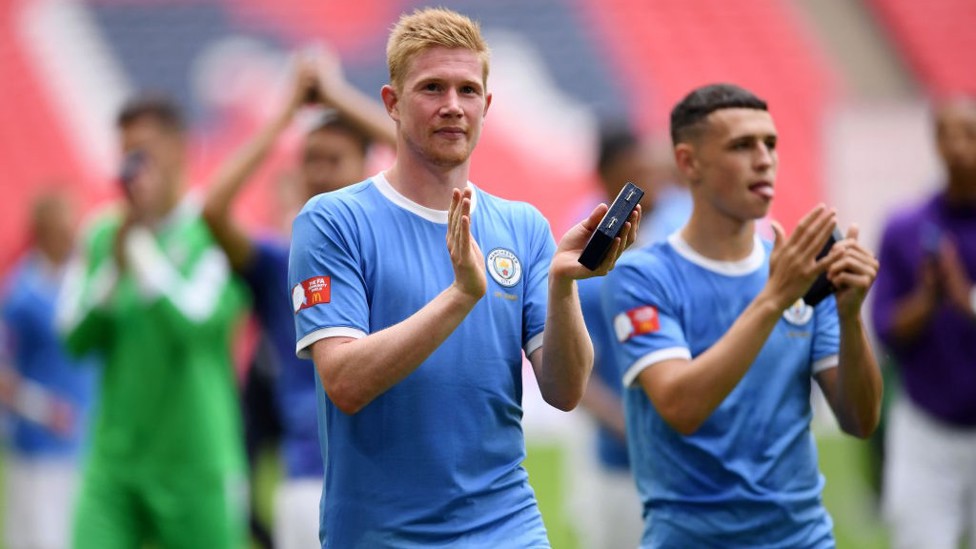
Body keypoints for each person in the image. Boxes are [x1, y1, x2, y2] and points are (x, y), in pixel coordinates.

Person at [288, 7, 639, 547]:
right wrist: (460, 296)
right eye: (432, 88)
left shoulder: (523, 227)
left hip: (507, 528)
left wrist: (563, 286)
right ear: (392, 104)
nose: (453, 106)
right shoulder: (333, 221)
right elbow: (346, 383)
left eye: (467, 90)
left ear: (486, 105)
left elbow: (565, 392)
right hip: (380, 535)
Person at [601, 83, 882, 547]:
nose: (764, 159)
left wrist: (851, 318)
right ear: (689, 162)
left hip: (803, 537)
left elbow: (860, 420)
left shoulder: (802, 274)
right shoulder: (643, 275)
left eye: (769, 144)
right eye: (741, 146)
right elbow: (682, 407)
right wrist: (774, 299)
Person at [202, 52, 395, 549]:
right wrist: (285, 115)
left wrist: (335, 98)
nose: (318, 173)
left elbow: (427, 161)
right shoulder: (281, 261)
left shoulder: (396, 246)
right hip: (309, 480)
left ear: (366, 168)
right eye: (309, 160)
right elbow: (214, 208)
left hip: (393, 478)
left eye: (333, 160)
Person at [56, 95, 249, 548]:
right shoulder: (103, 233)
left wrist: (142, 253)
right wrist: (114, 272)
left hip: (195, 460)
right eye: (125, 153)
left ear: (180, 149)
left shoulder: (214, 232)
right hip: (116, 461)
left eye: (143, 151)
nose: (131, 166)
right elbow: (74, 339)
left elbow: (196, 328)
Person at [573, 123, 690, 549]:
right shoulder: (585, 263)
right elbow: (577, 372)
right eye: (633, 176)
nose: (648, 184)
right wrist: (626, 425)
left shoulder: (686, 227)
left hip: (693, 457)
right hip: (623, 462)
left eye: (650, 170)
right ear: (607, 180)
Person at [871, 95, 976, 549]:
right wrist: (930, 297)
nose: (957, 147)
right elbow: (886, 329)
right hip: (924, 428)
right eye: (946, 134)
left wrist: (963, 298)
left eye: (969, 135)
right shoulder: (905, 227)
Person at [0, 192, 96, 549]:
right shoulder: (22, 294)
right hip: (37, 449)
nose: (71, 237)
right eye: (62, 230)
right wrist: (41, 409)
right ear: (42, 233)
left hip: (85, 443)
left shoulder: (83, 282)